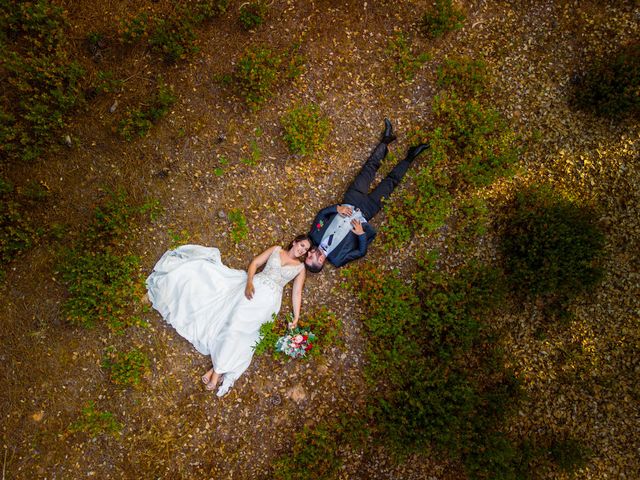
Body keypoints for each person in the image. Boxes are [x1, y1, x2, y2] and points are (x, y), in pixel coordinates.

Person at [145, 234, 311, 397]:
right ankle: (217, 370)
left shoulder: (300, 268)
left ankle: (216, 372)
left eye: (306, 250)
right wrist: (249, 282)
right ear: (295, 242)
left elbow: (297, 293)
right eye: (302, 245)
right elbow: (255, 263)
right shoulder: (276, 250)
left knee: (245, 336)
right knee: (232, 325)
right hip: (254, 288)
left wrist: (296, 317)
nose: (302, 250)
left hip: (269, 303)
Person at [305, 119, 428, 271]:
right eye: (311, 257)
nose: (309, 253)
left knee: (369, 168)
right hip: (367, 211)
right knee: (391, 183)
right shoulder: (337, 259)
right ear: (321, 261)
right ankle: (411, 156)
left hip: (351, 199)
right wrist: (361, 234)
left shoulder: (315, 236)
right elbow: (360, 252)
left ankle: (386, 140)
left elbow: (322, 215)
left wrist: (337, 209)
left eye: (307, 255)